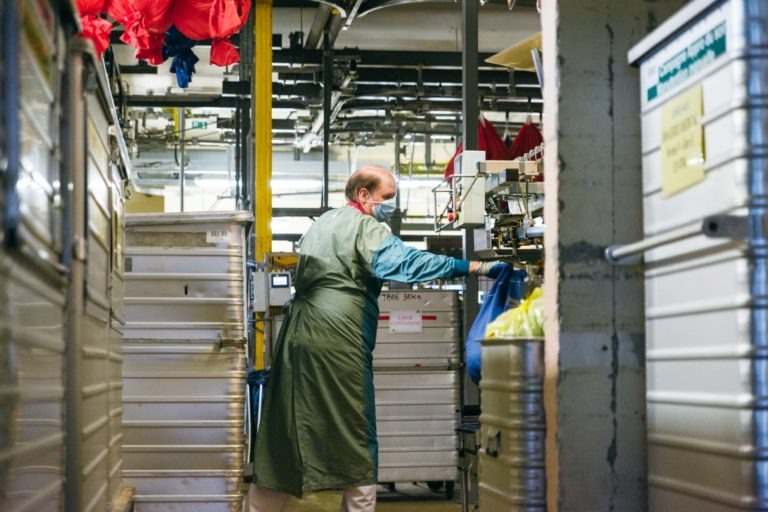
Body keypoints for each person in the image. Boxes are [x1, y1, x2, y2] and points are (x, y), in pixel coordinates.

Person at [249, 166, 504, 512]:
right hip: (337, 339)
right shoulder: (365, 227)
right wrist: (474, 268)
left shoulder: (323, 223)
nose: (392, 206)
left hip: (298, 337)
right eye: (387, 197)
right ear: (363, 195)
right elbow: (407, 264)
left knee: (285, 430)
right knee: (356, 432)